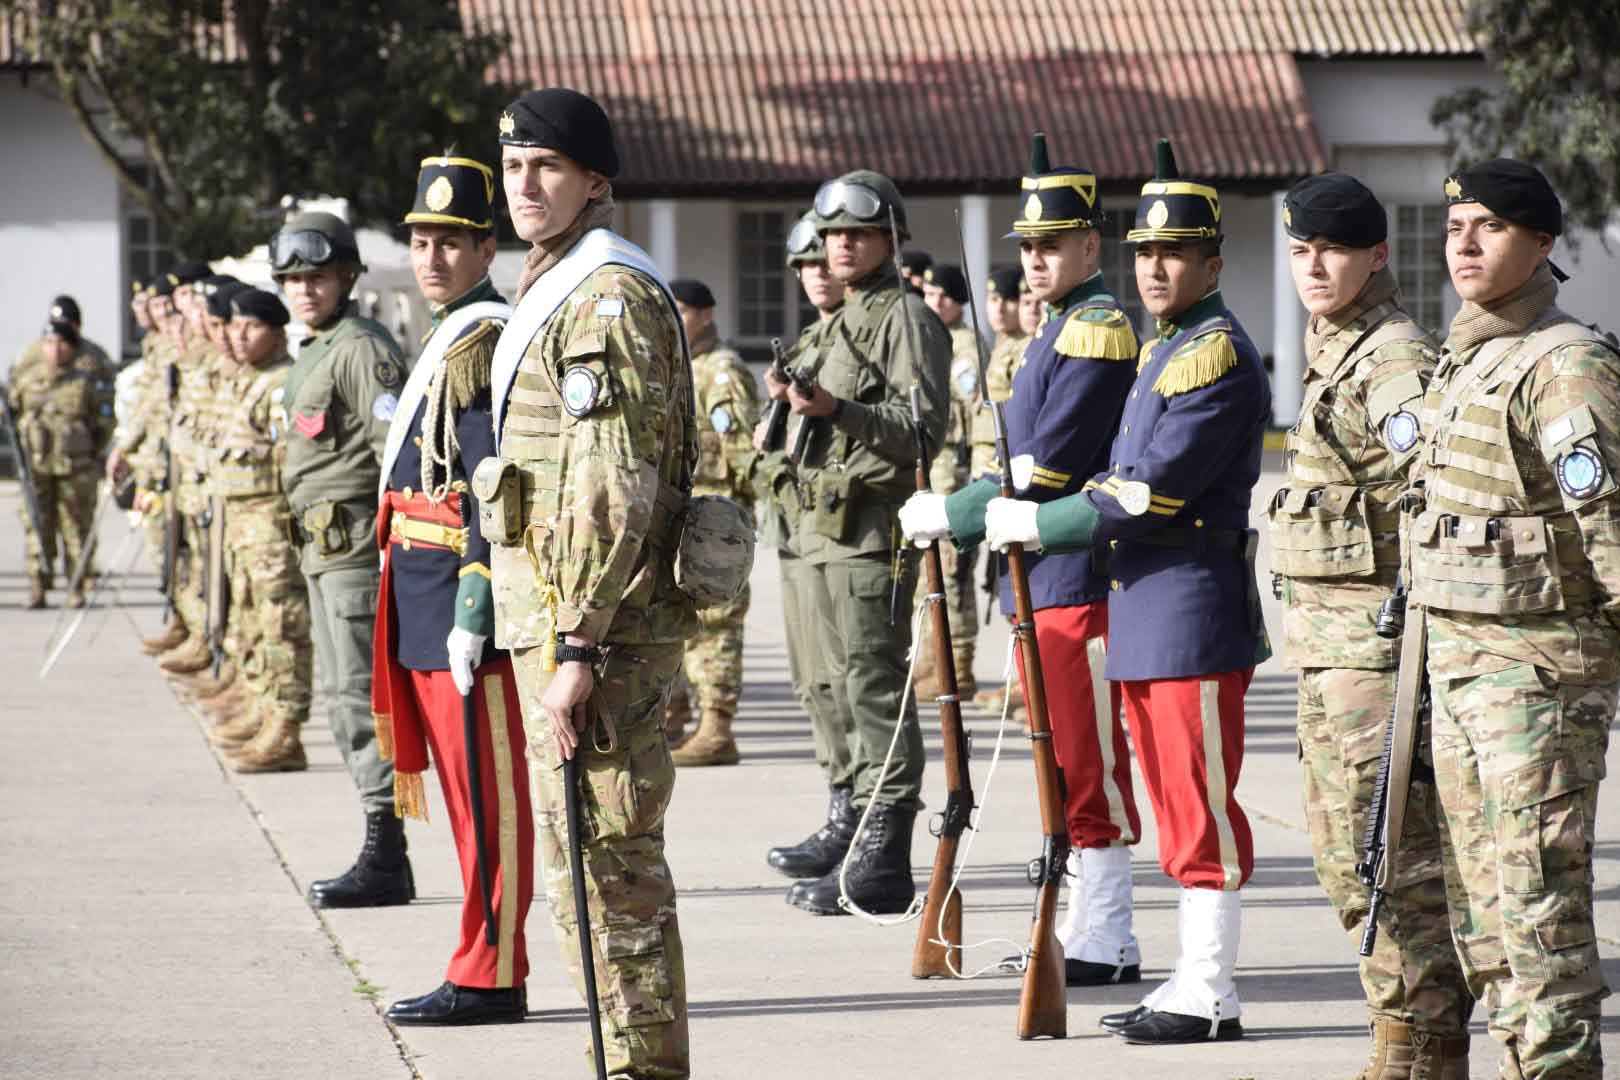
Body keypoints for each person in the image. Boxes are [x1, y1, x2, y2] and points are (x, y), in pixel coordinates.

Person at [983, 139, 1270, 1044]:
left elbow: (1149, 488)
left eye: (1174, 252)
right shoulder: (1162, 349)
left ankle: (1211, 988)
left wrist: (1045, 520)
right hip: (1145, 601)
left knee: (1195, 801)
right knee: (1159, 784)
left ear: (1213, 262)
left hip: (1188, 600)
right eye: (1146, 253)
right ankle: (1179, 971)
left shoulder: (1213, 355)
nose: (1156, 267)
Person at [487, 86, 697, 1075]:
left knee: (610, 886)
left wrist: (576, 648)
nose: (526, 183)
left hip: (596, 641)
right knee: (587, 881)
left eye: (547, 167)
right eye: (515, 163)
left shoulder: (603, 298)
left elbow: (613, 489)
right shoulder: (560, 282)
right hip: (582, 630)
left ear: (594, 182)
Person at [901, 133, 1144, 986]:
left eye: (1052, 245)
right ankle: (1080, 923)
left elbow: (1047, 467)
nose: (1036, 260)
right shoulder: (1057, 328)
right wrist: (967, 506)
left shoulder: (1100, 332)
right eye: (1028, 247)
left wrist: (961, 511)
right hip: (1037, 574)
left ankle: (1107, 930)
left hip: (1075, 568)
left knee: (1085, 756)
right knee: (1060, 756)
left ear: (1090, 245)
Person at [1406, 159, 1620, 1079]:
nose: (1463, 243)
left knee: (1538, 917)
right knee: (1486, 921)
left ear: (1539, 243)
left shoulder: (1567, 364)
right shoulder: (1469, 357)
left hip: (1538, 681)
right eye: (1456, 227)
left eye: (1488, 227)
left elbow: (1610, 529)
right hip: (1458, 671)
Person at [1270, 172, 1471, 1075]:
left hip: (1378, 662)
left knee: (1392, 858)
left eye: (1335, 250)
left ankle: (1420, 1046)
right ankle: (1399, 1034)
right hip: (1330, 655)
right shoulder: (1337, 347)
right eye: (1302, 250)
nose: (1315, 266)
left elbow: (1435, 484)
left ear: (1376, 256)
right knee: (1350, 861)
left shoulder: (1389, 358)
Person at [372, 155, 534, 1025]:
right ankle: (478, 958)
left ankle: (492, 972)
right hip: (421, 596)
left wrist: (478, 597)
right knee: (467, 800)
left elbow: (493, 485)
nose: (431, 257)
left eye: (450, 242)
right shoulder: (445, 332)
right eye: (421, 240)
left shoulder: (483, 342)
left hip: (465, 607)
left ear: (486, 247)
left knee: (490, 801)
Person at [774, 170, 951, 918]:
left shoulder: (903, 318)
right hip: (813, 531)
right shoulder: (840, 320)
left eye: (857, 234)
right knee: (825, 685)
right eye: (833, 235)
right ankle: (851, 818)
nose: (841, 246)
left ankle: (884, 850)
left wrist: (837, 408)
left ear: (889, 239)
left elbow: (920, 433)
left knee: (872, 684)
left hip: (868, 533)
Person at [273, 210, 413, 908]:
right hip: (323, 549)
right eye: (293, 279)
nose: (303, 289)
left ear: (347, 277)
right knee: (339, 699)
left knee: (360, 697)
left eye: (317, 276)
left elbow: (398, 447)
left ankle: (386, 852)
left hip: (355, 548)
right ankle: (381, 842)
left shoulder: (360, 348)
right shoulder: (316, 349)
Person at [760, 211, 862, 881]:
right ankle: (840, 806)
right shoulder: (804, 345)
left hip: (842, 532)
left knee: (847, 680)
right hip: (797, 530)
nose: (815, 275)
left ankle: (860, 822)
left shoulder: (860, 340)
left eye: (822, 261)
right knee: (811, 684)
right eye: (804, 265)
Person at [203, 287, 313, 773]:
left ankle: (286, 728)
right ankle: (262, 708)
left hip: (270, 528)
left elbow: (295, 463)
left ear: (277, 331)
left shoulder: (282, 385)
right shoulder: (250, 379)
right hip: (242, 528)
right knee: (250, 621)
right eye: (235, 325)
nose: (239, 335)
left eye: (251, 326)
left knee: (281, 627)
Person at [665, 276, 761, 766]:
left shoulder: (721, 371)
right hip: (688, 510)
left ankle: (717, 726)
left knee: (717, 623)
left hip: (718, 514)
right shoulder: (685, 365)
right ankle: (678, 710)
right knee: (682, 621)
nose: (676, 319)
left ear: (705, 314)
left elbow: (742, 447)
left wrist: (740, 519)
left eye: (682, 310)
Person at [7, 318, 113, 608]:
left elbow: (103, 421)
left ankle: (76, 585)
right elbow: (12, 413)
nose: (55, 350)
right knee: (36, 525)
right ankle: (38, 584)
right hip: (36, 467)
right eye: (49, 343)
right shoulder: (28, 378)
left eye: (61, 344)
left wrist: (89, 451)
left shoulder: (84, 380)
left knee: (75, 529)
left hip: (74, 468)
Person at [915, 262, 981, 699]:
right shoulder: (930, 340)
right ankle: (932, 659)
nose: (936, 302)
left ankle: (957, 664)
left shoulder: (965, 347)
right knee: (930, 571)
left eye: (945, 296)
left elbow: (973, 405)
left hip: (953, 474)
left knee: (952, 571)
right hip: (931, 469)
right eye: (931, 294)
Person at [971, 265, 1032, 717]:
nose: (1004, 308)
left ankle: (1031, 685)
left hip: (1022, 480)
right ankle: (1022, 680)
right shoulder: (1006, 348)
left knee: (1028, 592)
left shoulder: (1034, 349)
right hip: (991, 476)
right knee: (1008, 590)